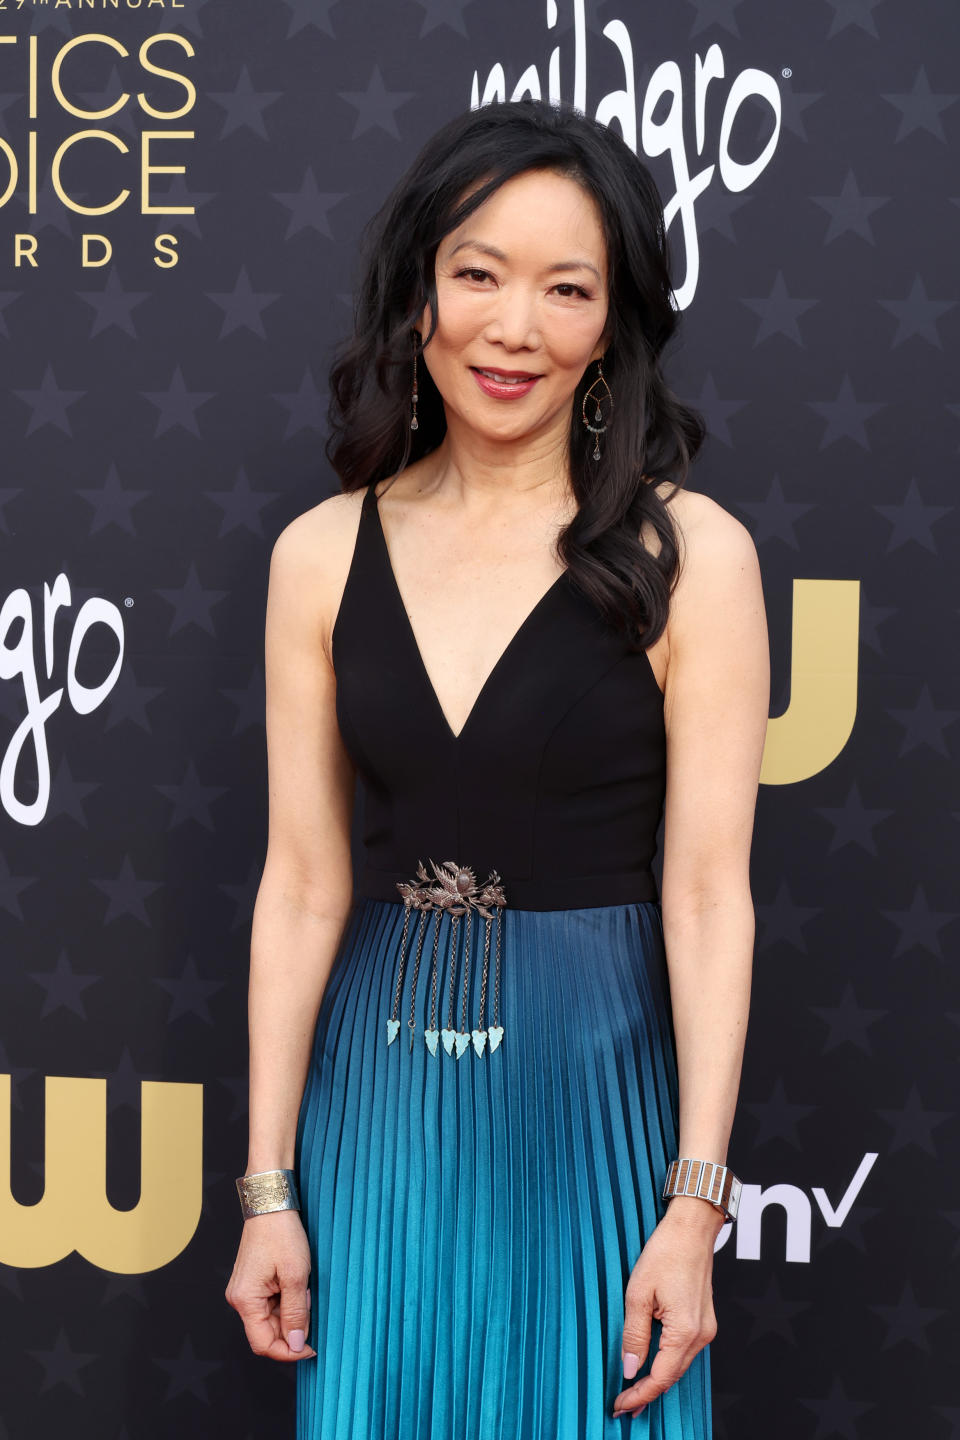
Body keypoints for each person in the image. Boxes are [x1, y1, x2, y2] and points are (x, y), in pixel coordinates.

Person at [225, 98, 769, 1438]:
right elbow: (301, 887)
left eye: (565, 288)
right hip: (382, 1100)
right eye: (477, 274)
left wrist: (693, 1205)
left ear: (614, 322)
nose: (512, 328)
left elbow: (708, 898)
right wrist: (268, 1190)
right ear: (419, 294)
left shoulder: (693, 556)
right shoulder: (318, 554)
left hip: (594, 1094)